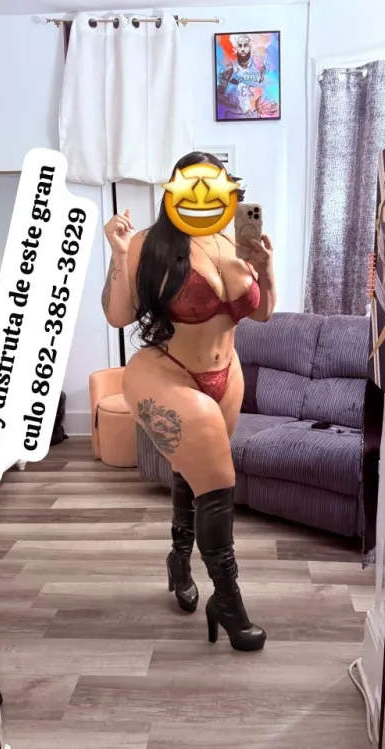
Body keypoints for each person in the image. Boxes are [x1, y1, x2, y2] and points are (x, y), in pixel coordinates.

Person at [101, 152, 276, 652]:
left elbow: (263, 314)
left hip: (227, 374)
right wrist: (118, 255)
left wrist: (266, 269)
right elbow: (117, 316)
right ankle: (228, 599)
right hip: (167, 371)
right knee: (218, 483)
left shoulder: (237, 240)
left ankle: (179, 560)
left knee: (195, 471)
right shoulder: (149, 244)